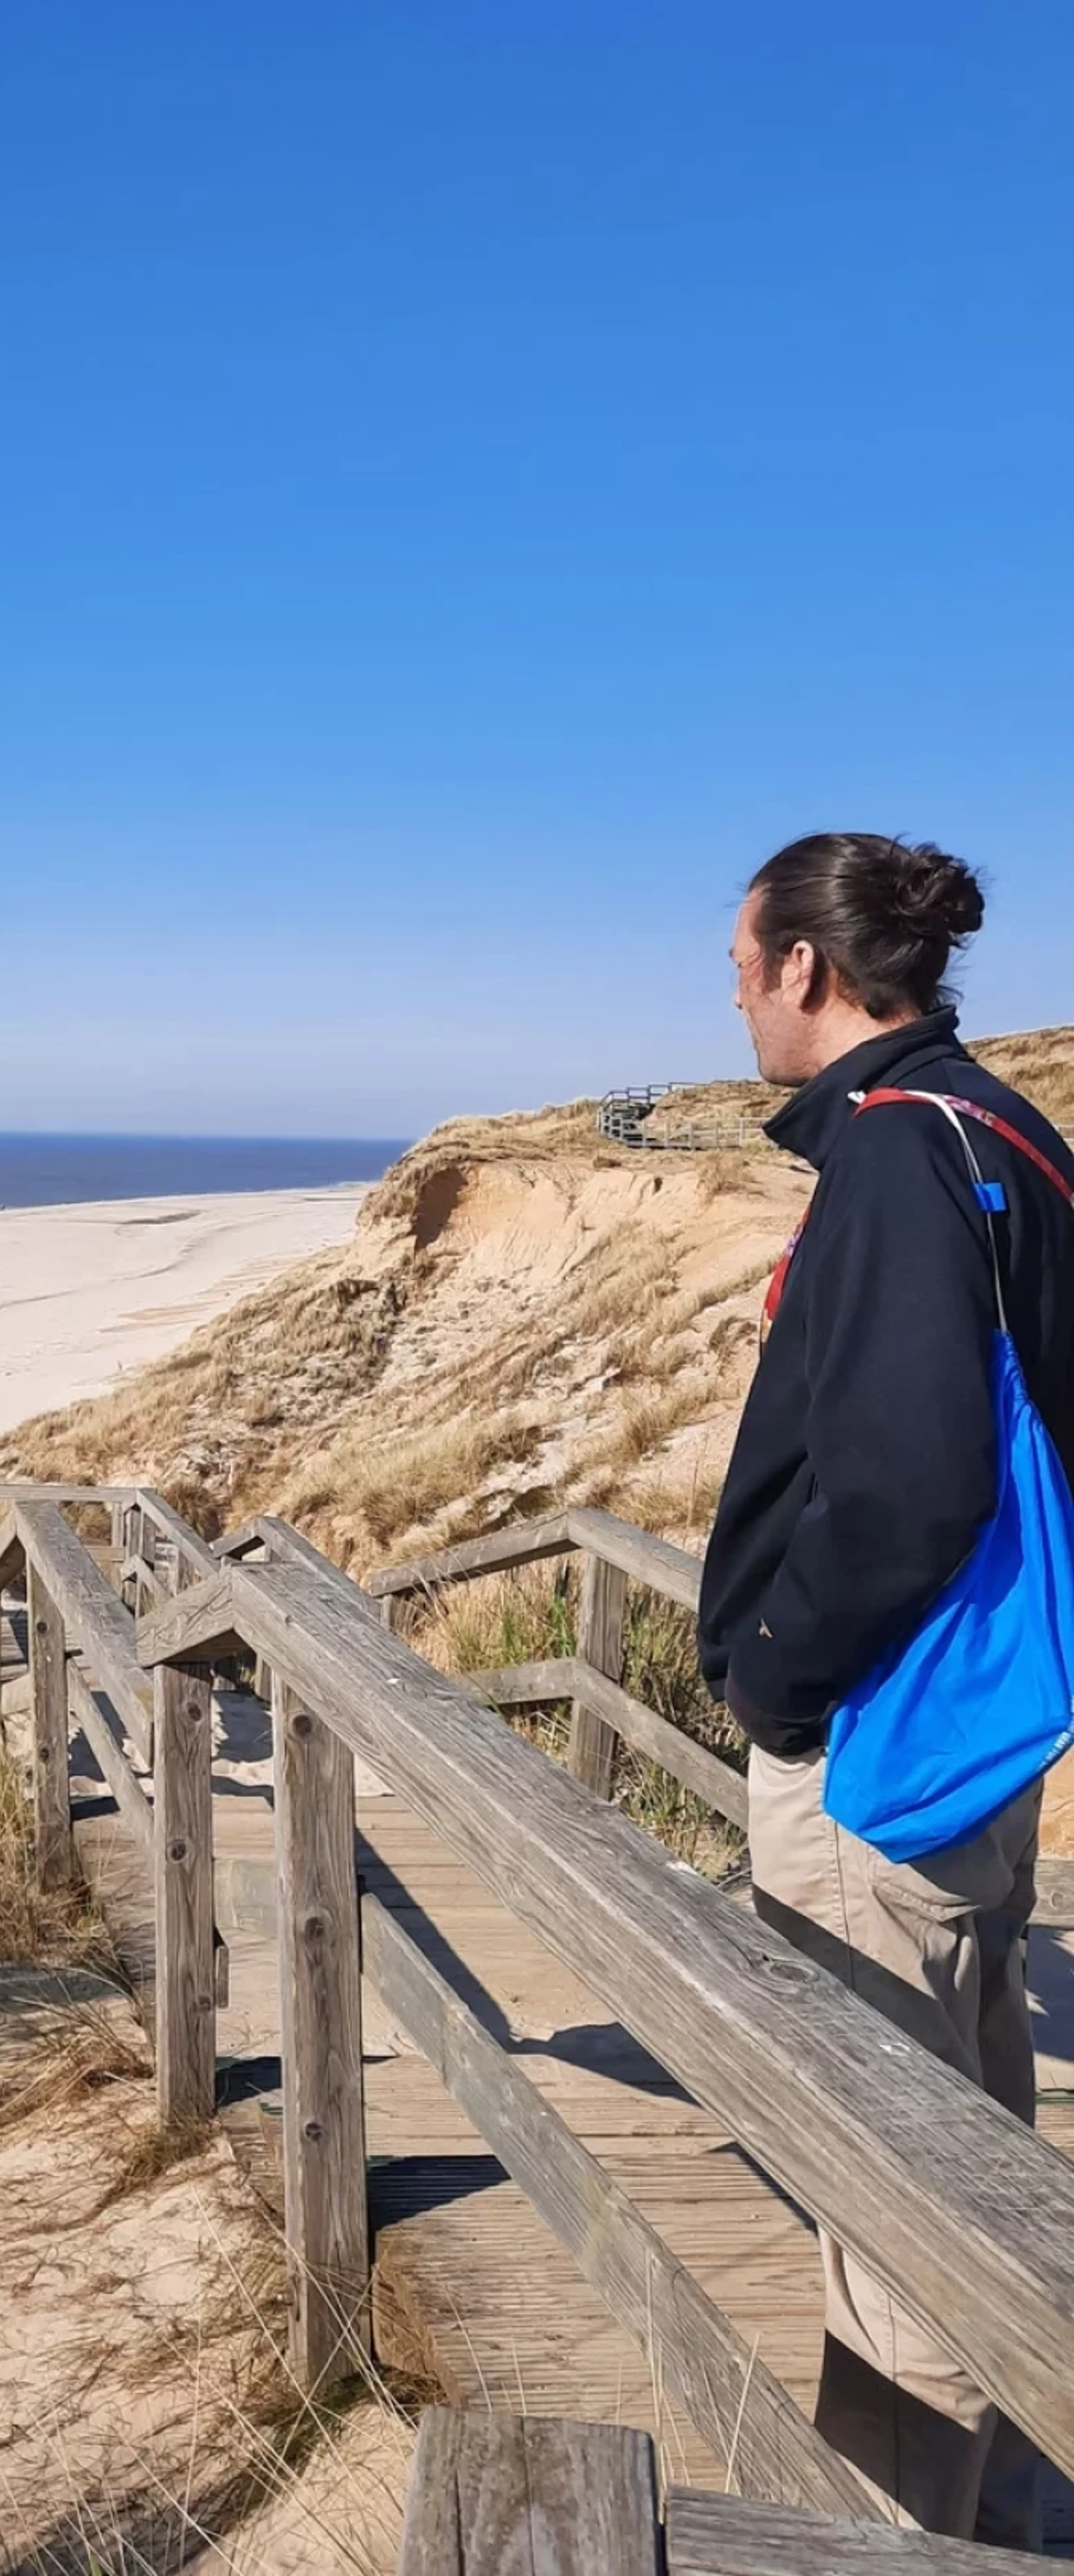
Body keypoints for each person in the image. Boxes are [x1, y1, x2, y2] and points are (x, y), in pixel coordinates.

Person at [697, 831, 1074, 2546]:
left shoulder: (898, 1155)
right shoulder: (1005, 1131)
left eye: (740, 963)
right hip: (981, 1720)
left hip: (889, 1736)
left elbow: (908, 1479)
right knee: (965, 2123)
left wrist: (777, 1677)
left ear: (802, 966)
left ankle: (895, 2541)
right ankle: (988, 2505)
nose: (733, 994)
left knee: (888, 2175)